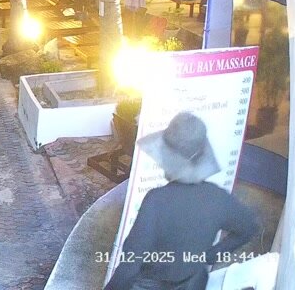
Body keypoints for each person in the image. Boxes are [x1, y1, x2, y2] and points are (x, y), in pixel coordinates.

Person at [104, 112, 258, 290]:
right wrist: (211, 255)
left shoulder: (157, 201)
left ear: (168, 156)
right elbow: (249, 227)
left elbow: (130, 265)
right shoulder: (218, 198)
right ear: (203, 156)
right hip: (193, 283)